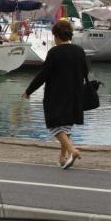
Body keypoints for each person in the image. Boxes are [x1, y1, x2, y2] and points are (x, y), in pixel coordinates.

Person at [22, 19, 87, 169]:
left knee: (53, 124)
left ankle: (72, 150)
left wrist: (28, 91)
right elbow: (85, 71)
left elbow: (43, 75)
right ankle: (63, 158)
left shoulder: (54, 52)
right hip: (75, 93)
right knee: (66, 127)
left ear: (57, 36)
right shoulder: (79, 51)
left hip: (57, 94)